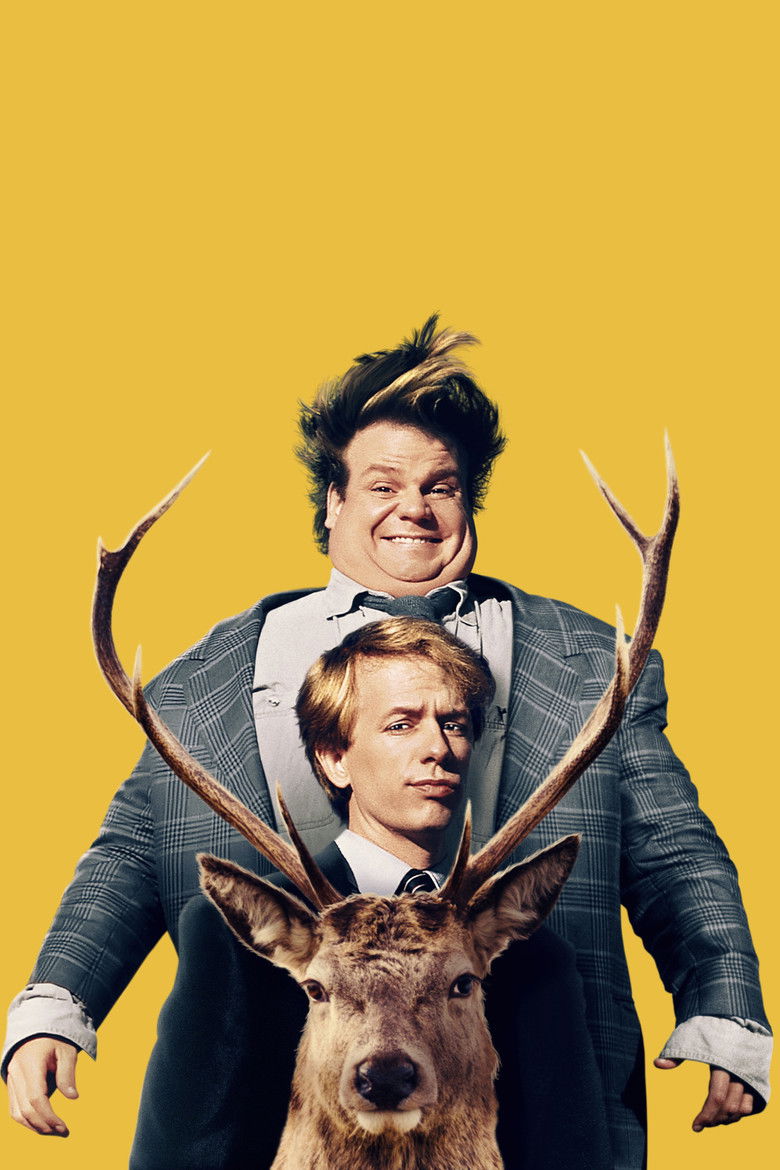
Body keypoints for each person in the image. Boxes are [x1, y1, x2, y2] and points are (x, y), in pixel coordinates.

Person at [4, 316, 770, 1169]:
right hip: (263, 1121)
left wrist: (723, 1004)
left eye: (442, 486)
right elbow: (129, 852)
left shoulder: (595, 664)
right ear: (333, 503)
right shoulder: (206, 678)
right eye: (383, 484)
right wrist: (58, 1002)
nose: (415, 507)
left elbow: (674, 850)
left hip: (549, 1106)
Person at [131, 617, 612, 1170]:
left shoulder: (540, 954)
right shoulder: (223, 936)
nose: (438, 749)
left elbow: (572, 1148)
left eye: (454, 724)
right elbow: (181, 1150)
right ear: (335, 759)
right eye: (401, 725)